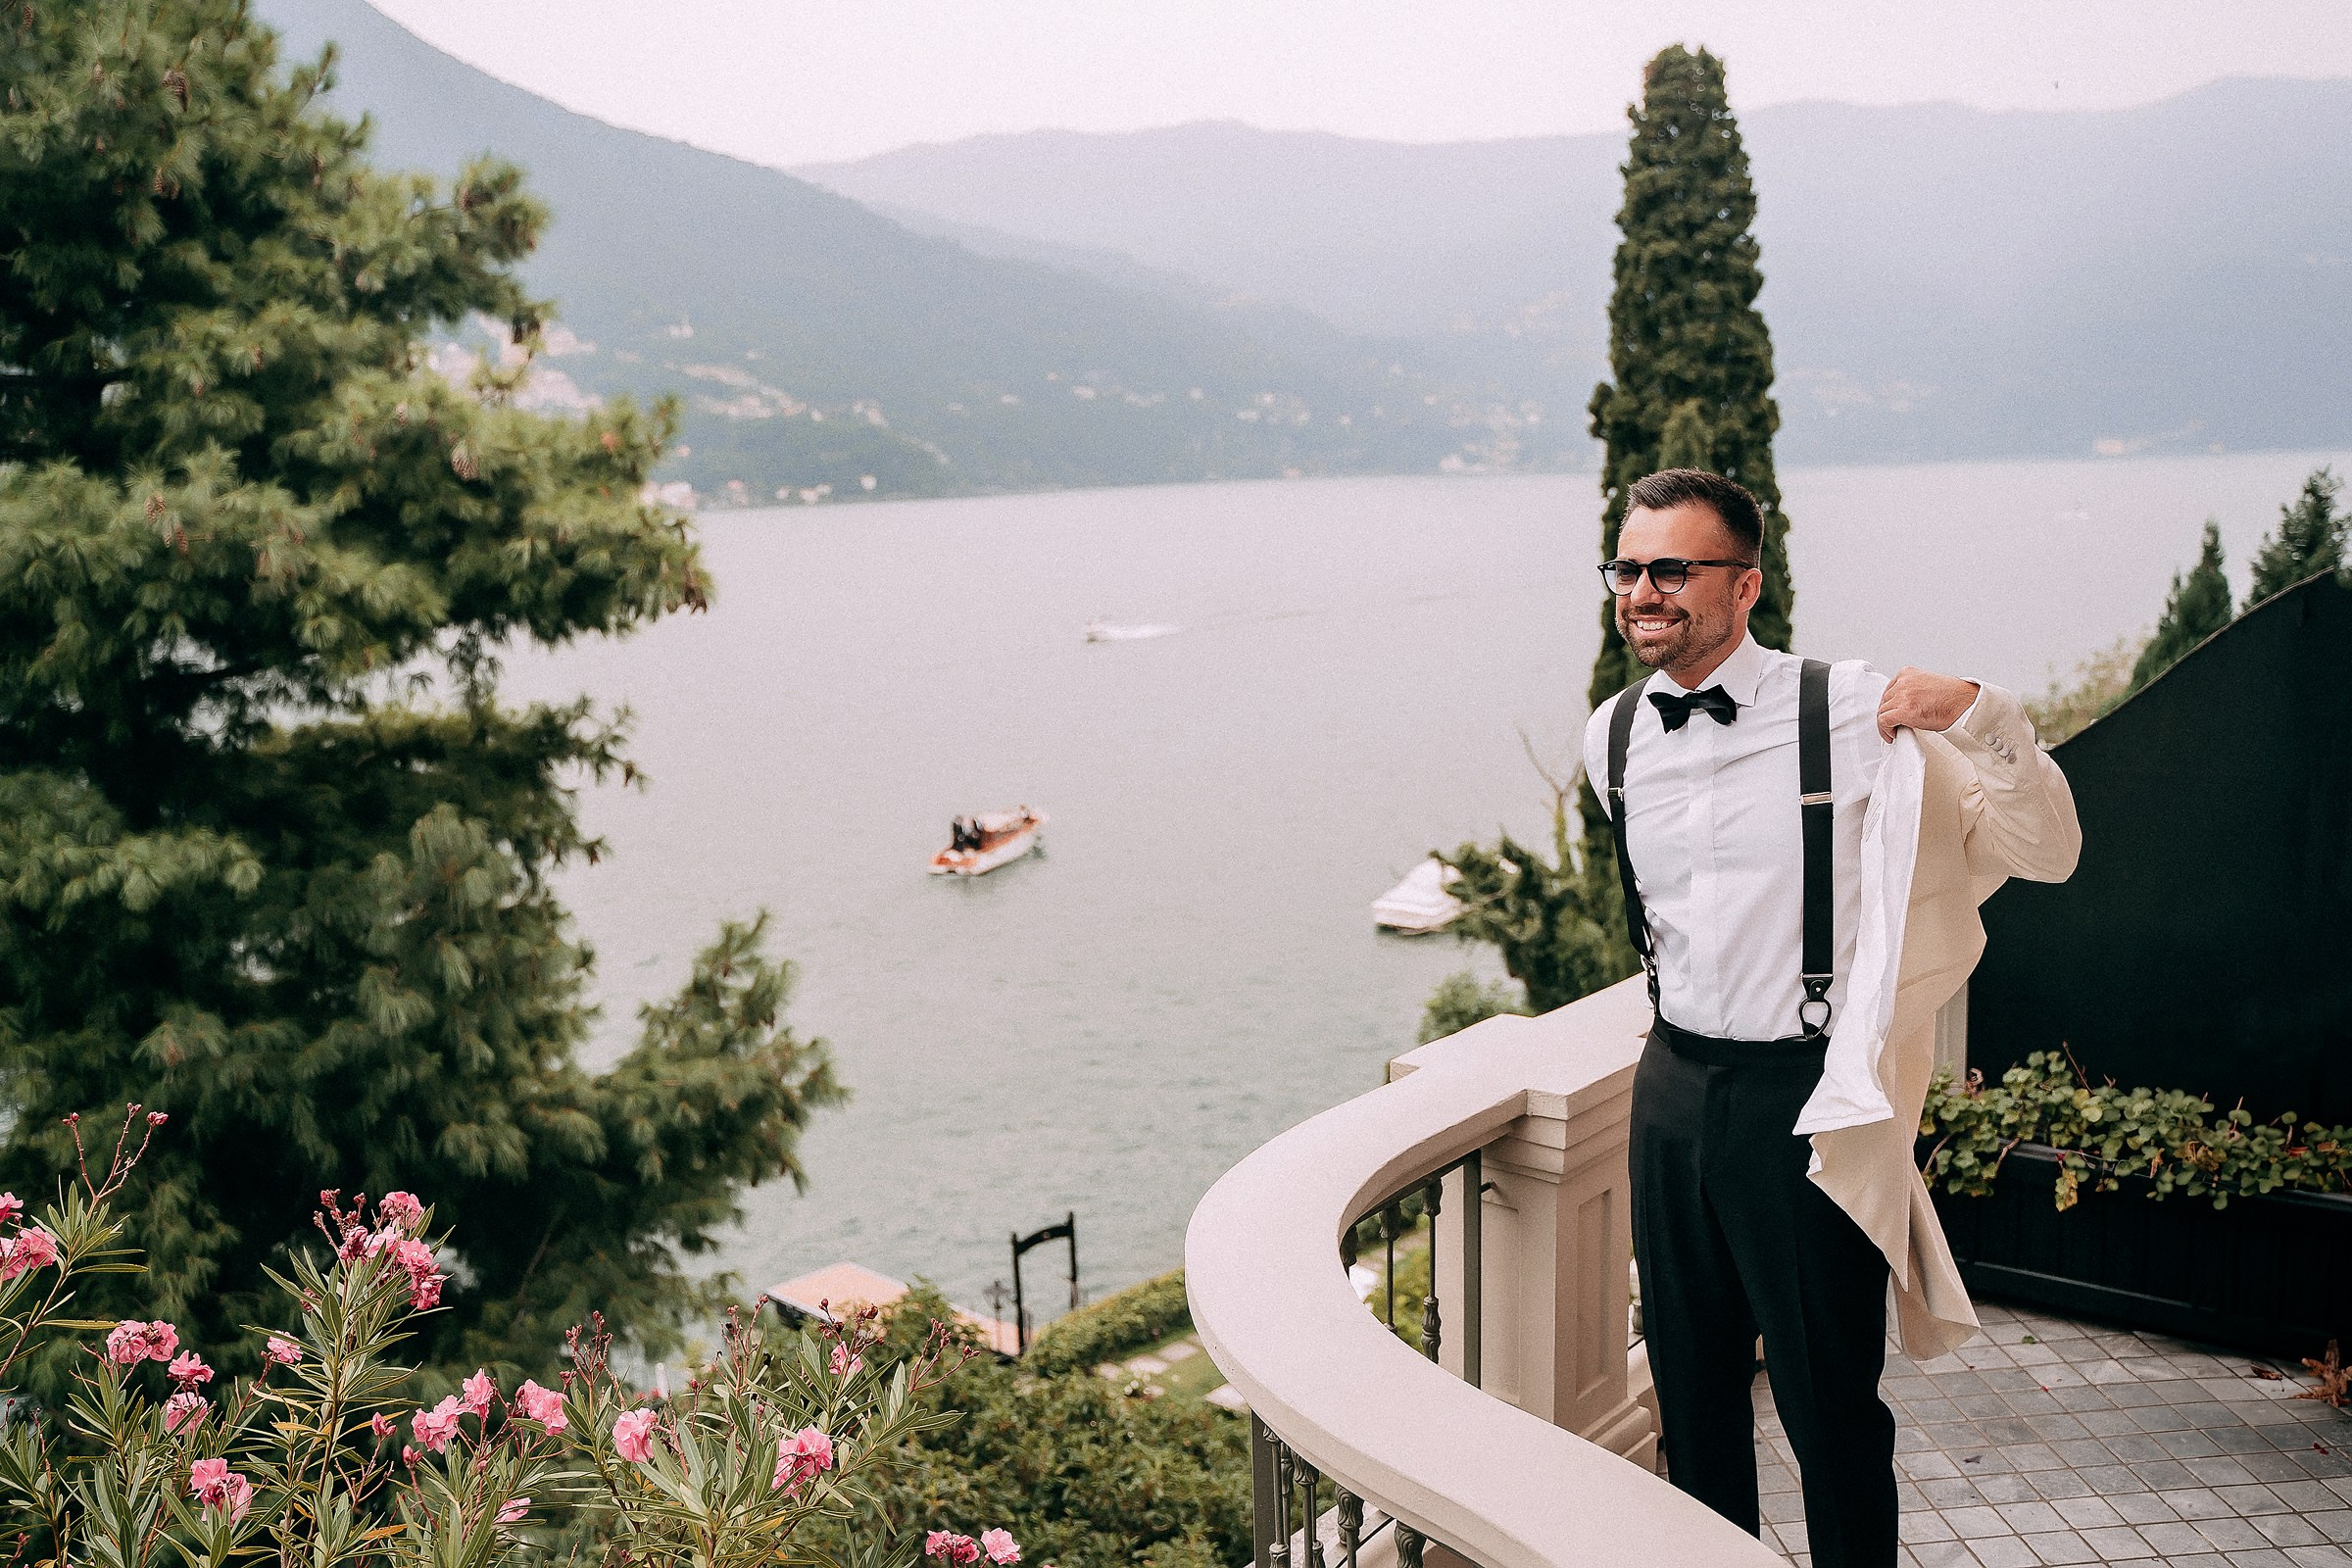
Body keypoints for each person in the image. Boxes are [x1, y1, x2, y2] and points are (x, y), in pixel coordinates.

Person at [1581, 468, 2080, 1568]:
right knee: (1693, 1398)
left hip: (1803, 1102)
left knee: (1829, 1408)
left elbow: (2047, 852)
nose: (1642, 591)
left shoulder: (1853, 711)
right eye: (1627, 566)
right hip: (1668, 1090)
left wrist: (1983, 715)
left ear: (1745, 583)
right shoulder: (1611, 738)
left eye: (1673, 567)